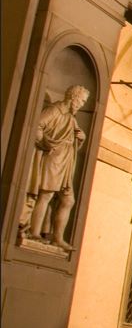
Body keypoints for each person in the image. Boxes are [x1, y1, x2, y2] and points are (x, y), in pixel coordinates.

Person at [25, 85, 89, 250]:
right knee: (46, 196)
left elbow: (72, 139)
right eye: (81, 100)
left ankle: (57, 237)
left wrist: (81, 138)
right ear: (73, 97)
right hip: (54, 159)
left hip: (65, 162)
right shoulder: (54, 110)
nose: (82, 104)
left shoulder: (71, 118)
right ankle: (34, 232)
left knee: (68, 200)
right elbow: (37, 125)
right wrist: (46, 144)